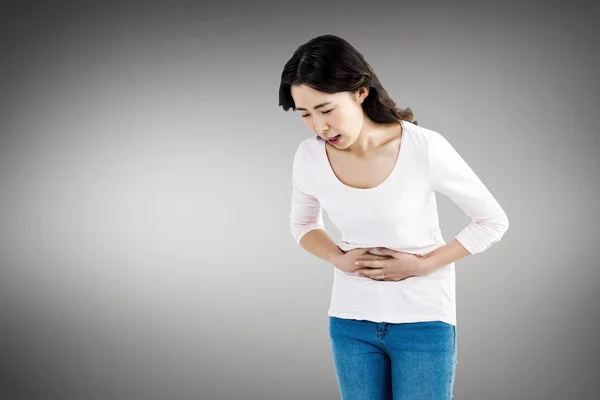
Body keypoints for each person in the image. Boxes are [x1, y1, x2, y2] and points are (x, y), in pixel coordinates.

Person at [279, 34, 509, 400]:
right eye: (305, 114)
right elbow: (303, 225)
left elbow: (493, 221)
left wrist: (424, 265)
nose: (319, 127)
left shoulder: (423, 147)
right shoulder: (309, 157)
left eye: (326, 110)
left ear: (360, 92)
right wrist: (336, 258)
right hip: (350, 321)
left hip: (423, 319)